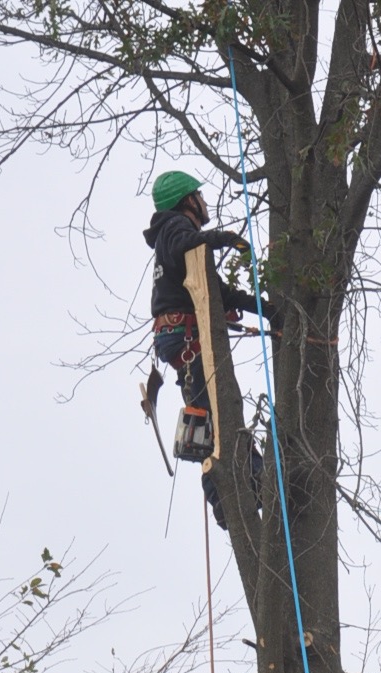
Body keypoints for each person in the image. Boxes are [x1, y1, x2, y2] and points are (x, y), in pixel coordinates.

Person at [143, 169, 272, 526]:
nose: (204, 201)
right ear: (188, 201)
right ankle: (226, 498)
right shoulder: (175, 230)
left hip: (185, 337)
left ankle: (254, 479)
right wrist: (223, 238)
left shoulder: (187, 243)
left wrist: (263, 308)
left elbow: (219, 292)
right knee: (217, 410)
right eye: (199, 195)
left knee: (219, 407)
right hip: (185, 339)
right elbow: (187, 244)